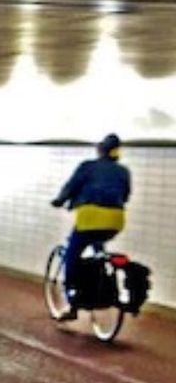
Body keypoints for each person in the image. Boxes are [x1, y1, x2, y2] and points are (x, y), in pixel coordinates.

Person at [50, 132, 132, 319]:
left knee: (72, 254)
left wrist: (59, 200)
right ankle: (102, 267)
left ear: (100, 149)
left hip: (89, 219)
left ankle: (72, 301)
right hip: (116, 221)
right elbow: (125, 196)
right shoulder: (123, 171)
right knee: (98, 243)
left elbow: (71, 187)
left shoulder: (88, 167)